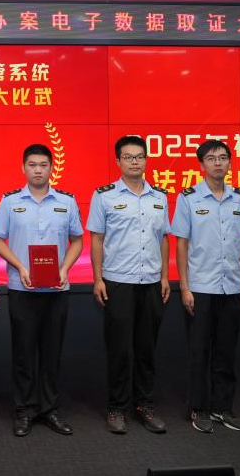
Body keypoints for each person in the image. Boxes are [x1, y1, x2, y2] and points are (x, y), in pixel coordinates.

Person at [0, 144, 83, 437]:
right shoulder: (10, 202)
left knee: (52, 353)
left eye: (43, 165)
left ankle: (49, 409)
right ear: (23, 168)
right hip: (22, 288)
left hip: (57, 289)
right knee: (24, 353)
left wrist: (65, 268)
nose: (38, 170)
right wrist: (19, 266)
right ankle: (24, 410)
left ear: (52, 167)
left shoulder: (67, 201)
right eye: (32, 165)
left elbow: (78, 240)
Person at [86, 135, 171, 435]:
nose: (135, 162)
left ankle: (144, 405)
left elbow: (164, 239)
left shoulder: (160, 196)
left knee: (146, 349)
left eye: (139, 156)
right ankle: (117, 407)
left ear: (146, 160)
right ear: (118, 161)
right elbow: (96, 239)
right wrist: (98, 278)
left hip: (151, 282)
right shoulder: (104, 196)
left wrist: (164, 277)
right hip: (118, 281)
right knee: (120, 350)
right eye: (128, 157)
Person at [171, 139, 240, 434]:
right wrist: (184, 287)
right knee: (199, 351)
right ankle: (198, 407)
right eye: (211, 158)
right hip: (201, 287)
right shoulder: (188, 198)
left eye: (222, 157)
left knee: (226, 350)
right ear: (202, 164)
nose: (217, 163)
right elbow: (181, 244)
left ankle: (223, 407)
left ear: (230, 162)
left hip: (231, 286)